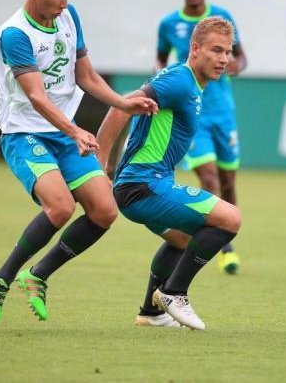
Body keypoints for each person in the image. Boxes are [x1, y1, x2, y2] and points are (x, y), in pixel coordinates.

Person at [0, 0, 157, 324]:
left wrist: (123, 103)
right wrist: (75, 130)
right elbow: (36, 96)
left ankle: (38, 276)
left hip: (62, 133)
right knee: (60, 206)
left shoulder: (68, 16)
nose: (64, 3)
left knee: (105, 211)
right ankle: (1, 279)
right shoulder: (15, 35)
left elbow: (86, 75)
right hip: (24, 133)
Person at [96, 17, 241, 330]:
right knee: (230, 218)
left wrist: (111, 169)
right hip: (143, 187)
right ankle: (174, 293)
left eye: (227, 52)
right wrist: (100, 165)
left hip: (142, 185)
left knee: (183, 239)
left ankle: (151, 312)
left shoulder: (190, 85)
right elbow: (123, 105)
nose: (223, 59)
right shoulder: (180, 80)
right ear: (195, 48)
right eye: (216, 50)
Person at [156, 0, 248, 274]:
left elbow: (241, 56)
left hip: (224, 112)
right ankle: (225, 248)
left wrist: (237, 64)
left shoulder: (223, 17)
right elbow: (160, 60)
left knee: (228, 182)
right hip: (193, 113)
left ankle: (227, 230)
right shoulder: (169, 23)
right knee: (209, 178)